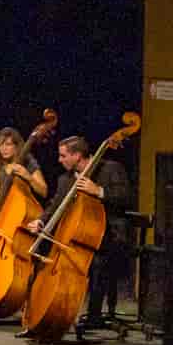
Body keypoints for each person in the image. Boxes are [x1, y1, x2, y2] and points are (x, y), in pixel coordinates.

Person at [26, 135, 133, 331]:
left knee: (98, 262)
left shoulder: (110, 169)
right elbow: (55, 206)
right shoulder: (65, 179)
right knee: (43, 255)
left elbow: (127, 198)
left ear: (77, 155)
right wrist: (41, 221)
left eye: (63, 155)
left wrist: (99, 191)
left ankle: (94, 315)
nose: (59, 160)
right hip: (78, 236)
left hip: (110, 235)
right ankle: (46, 310)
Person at [0, 125, 49, 210]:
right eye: (0, 145)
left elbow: (44, 191)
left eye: (8, 144)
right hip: (3, 209)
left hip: (22, 209)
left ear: (16, 146)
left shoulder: (27, 160)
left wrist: (29, 177)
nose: (4, 149)